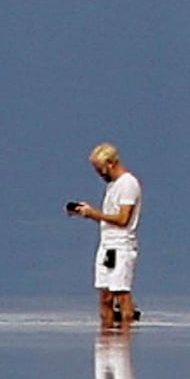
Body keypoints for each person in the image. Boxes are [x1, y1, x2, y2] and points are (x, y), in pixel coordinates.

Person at [67, 143, 142, 333]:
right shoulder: (112, 186)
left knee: (121, 293)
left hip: (121, 245)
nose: (98, 173)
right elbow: (109, 218)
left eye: (99, 168)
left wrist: (94, 214)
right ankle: (107, 340)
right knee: (105, 295)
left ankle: (125, 340)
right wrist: (86, 213)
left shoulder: (128, 184)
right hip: (107, 244)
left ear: (110, 163)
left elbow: (123, 219)